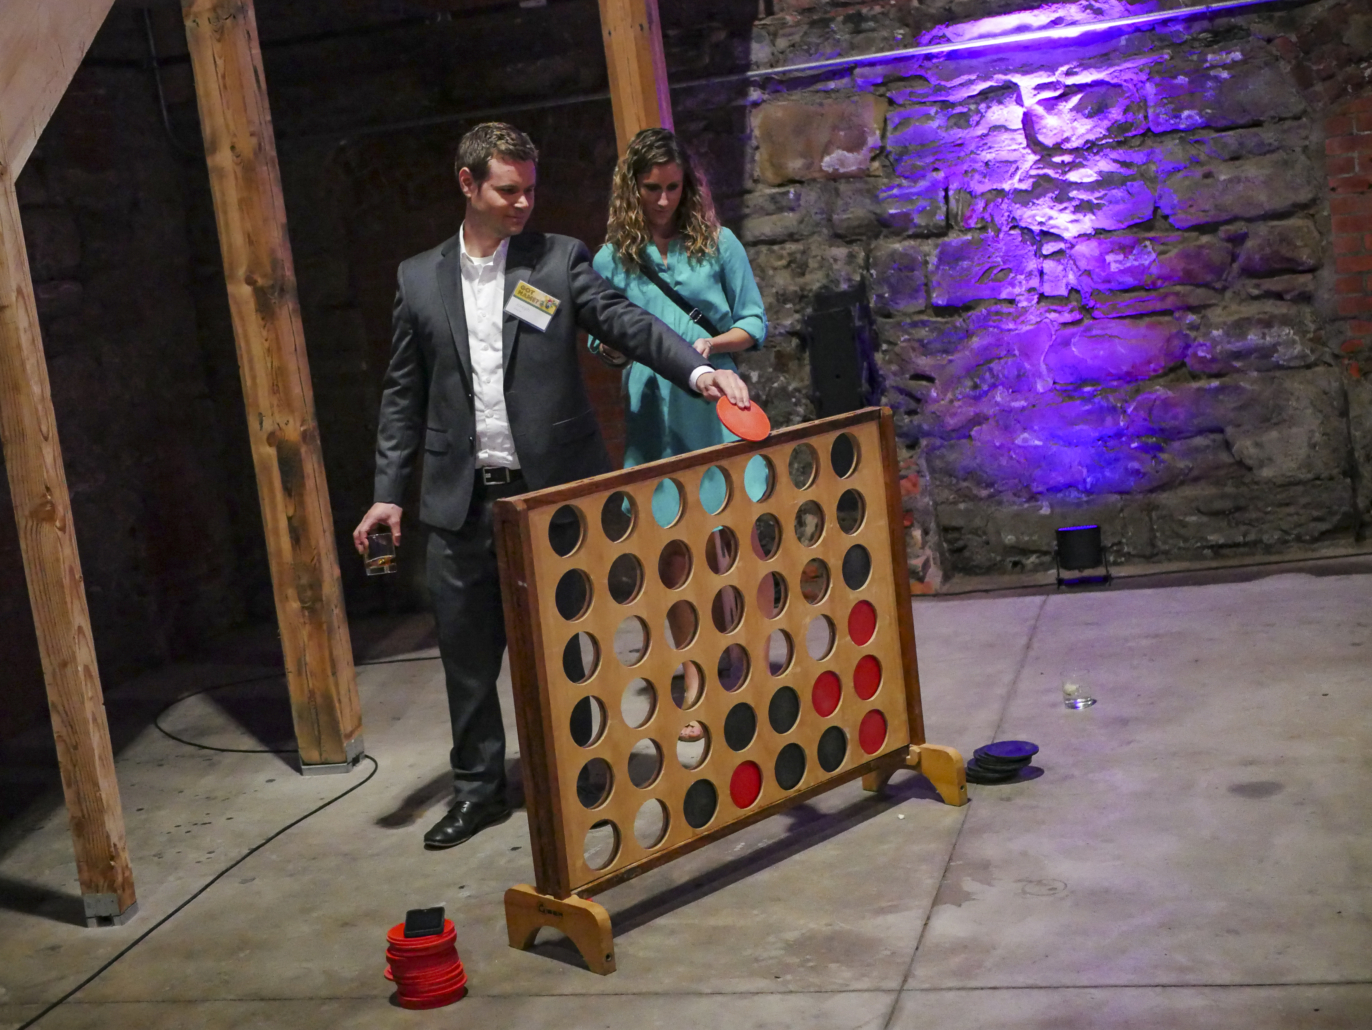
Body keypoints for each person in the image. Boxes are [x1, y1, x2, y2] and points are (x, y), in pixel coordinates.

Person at [353, 123, 751, 850]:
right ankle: (477, 791)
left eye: (531, 188)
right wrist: (387, 491)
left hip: (550, 500)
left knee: (568, 649)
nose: (523, 203)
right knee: (467, 661)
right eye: (509, 189)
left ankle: (577, 771)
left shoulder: (558, 260)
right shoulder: (417, 278)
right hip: (459, 499)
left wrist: (701, 373)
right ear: (468, 184)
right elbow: (401, 394)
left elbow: (628, 325)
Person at [590, 128, 768, 741]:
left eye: (673, 187)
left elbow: (754, 321)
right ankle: (693, 678)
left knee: (723, 544)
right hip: (650, 405)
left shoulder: (718, 244)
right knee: (671, 553)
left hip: (714, 395)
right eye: (651, 189)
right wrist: (616, 349)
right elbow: (598, 337)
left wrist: (713, 345)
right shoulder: (612, 258)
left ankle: (738, 664)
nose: (663, 200)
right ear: (630, 190)